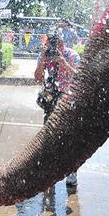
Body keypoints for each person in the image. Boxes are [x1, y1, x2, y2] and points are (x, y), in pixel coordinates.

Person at [34, 33, 81, 207]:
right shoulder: (45, 55)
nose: (55, 50)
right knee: (48, 137)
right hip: (50, 99)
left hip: (68, 99)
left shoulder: (72, 55)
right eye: (53, 47)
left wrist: (63, 62)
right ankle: (49, 173)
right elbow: (37, 78)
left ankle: (71, 172)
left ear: (63, 45)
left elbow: (79, 76)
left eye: (58, 47)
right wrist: (42, 61)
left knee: (70, 139)